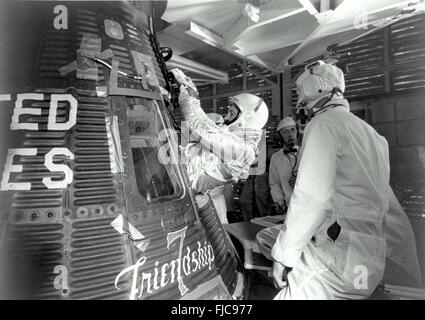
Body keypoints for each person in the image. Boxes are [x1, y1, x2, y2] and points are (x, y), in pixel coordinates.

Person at [271, 60, 422, 300]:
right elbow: (384, 199)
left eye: (300, 92)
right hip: (370, 256)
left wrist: (283, 255)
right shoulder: (371, 134)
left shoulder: (322, 125)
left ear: (315, 88)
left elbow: (312, 198)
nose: (299, 100)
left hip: (337, 253)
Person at [170, 68, 269, 206]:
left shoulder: (245, 151)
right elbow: (203, 128)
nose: (226, 117)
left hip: (179, 184)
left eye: (231, 113)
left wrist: (189, 93)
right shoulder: (237, 142)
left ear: (246, 119)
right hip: (177, 179)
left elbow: (201, 128)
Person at [255, 116, 299, 260]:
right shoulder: (276, 157)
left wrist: (301, 178)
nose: (290, 134)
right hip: (289, 207)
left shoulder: (308, 151)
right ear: (280, 136)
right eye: (285, 132)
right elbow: (274, 182)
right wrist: (279, 200)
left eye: (292, 130)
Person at [239, 132, 271, 221]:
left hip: (263, 176)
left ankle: (263, 225)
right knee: (244, 200)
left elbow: (273, 159)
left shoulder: (266, 147)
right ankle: (248, 223)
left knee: (261, 203)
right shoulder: (246, 145)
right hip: (251, 175)